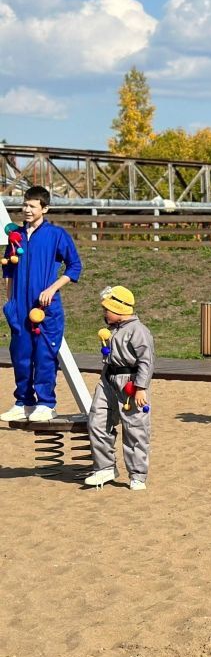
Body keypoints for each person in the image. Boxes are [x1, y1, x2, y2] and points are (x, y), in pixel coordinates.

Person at [2, 186, 82, 422]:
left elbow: (75, 266)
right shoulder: (15, 235)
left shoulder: (56, 235)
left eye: (32, 206)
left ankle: (47, 404)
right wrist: (10, 301)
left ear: (44, 209)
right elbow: (8, 268)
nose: (26, 209)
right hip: (19, 307)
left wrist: (52, 288)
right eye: (25, 205)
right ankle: (24, 402)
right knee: (20, 354)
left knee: (45, 355)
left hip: (44, 308)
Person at [84, 286, 154, 490]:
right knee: (97, 420)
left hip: (131, 382)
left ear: (119, 309)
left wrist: (141, 387)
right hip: (108, 378)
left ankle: (137, 474)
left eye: (107, 309)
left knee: (135, 428)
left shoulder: (138, 331)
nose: (104, 313)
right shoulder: (112, 330)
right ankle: (105, 467)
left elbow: (146, 361)